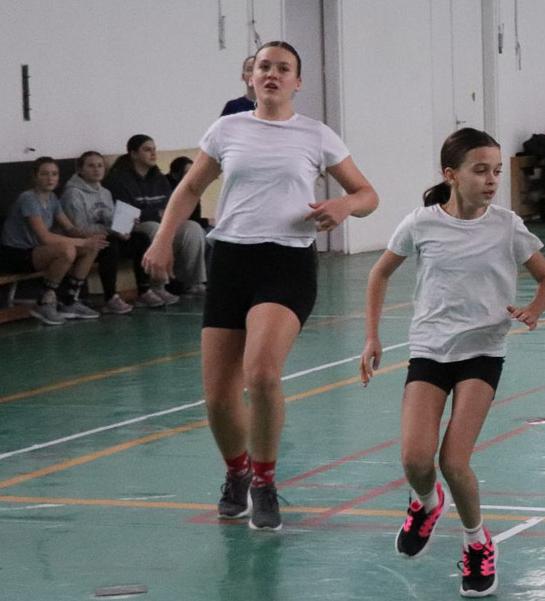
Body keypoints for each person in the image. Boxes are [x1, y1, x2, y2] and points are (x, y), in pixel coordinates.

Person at [145, 40, 379, 531]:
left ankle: (265, 481)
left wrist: (343, 206)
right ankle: (237, 472)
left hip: (286, 261)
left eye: (283, 68)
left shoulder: (316, 135)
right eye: (264, 67)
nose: (272, 74)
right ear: (251, 78)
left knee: (263, 374)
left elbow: (367, 194)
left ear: (298, 82)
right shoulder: (226, 129)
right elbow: (190, 188)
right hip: (231, 260)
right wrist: (164, 238)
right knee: (218, 396)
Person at [360, 128, 545, 596]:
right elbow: (379, 273)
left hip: (483, 352)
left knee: (453, 459)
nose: (492, 180)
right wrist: (372, 335)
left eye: (496, 171)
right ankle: (427, 503)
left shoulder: (508, 226)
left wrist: (534, 309)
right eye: (480, 170)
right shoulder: (421, 224)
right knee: (415, 458)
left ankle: (476, 542)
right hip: (430, 350)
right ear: (451, 175)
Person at [0, 156, 107, 325]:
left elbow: (70, 228)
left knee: (92, 247)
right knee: (66, 249)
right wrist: (82, 242)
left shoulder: (52, 198)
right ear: (35, 176)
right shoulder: (28, 198)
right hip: (16, 254)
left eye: (54, 174)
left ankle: (70, 300)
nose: (50, 178)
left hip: (38, 251)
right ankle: (45, 301)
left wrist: (89, 236)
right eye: (45, 174)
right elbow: (45, 237)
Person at [105, 134, 205, 301]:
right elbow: (126, 213)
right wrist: (155, 213)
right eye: (147, 150)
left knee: (192, 227)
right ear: (134, 154)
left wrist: (162, 214)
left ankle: (190, 283)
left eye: (154, 149)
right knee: (154, 228)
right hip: (133, 227)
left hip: (160, 222)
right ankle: (159, 285)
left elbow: (169, 206)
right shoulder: (119, 179)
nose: (153, 154)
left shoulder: (158, 177)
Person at [61, 150, 146, 314]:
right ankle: (110, 297)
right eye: (91, 166)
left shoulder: (105, 192)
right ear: (80, 169)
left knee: (141, 239)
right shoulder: (72, 194)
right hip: (82, 242)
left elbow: (111, 219)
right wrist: (114, 231)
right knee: (109, 244)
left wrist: (127, 224)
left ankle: (144, 290)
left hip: (106, 236)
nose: (96, 169)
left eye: (100, 166)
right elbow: (80, 229)